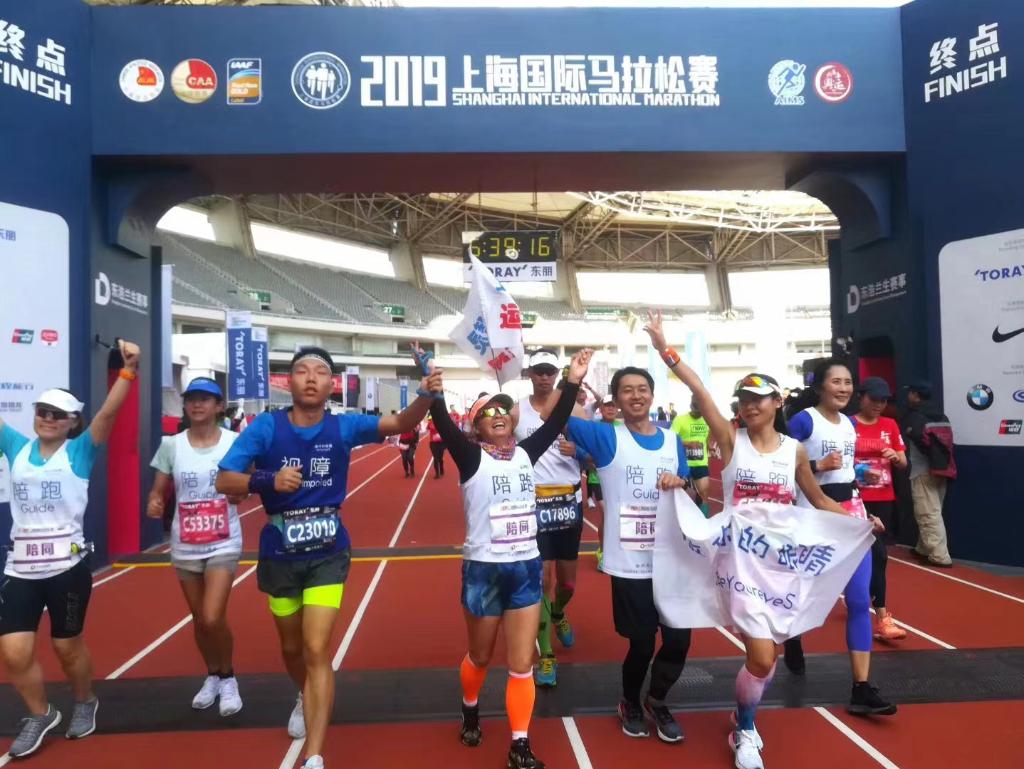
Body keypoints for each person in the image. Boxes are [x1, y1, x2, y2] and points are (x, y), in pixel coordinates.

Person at [643, 312, 851, 769]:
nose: (750, 405)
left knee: (767, 658)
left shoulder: (795, 451)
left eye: (758, 398)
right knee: (760, 654)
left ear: (777, 402)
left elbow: (818, 499)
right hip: (739, 562)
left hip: (781, 564)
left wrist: (859, 521)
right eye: (744, 399)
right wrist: (664, 348)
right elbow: (699, 389)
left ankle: (742, 715)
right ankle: (747, 730)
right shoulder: (730, 439)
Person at [215, 346, 439, 769]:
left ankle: (314, 755)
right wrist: (268, 480)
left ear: (331, 383)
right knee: (291, 648)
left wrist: (426, 393)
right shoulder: (266, 427)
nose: (311, 378)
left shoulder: (344, 426)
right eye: (302, 371)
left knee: (317, 647)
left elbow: (402, 423)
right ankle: (306, 694)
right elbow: (225, 479)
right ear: (289, 381)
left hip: (328, 552)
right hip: (280, 552)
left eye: (320, 372)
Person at [429, 348, 593, 769]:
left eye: (503, 409)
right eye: (487, 412)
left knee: (522, 663)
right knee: (481, 657)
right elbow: (443, 424)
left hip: (525, 568)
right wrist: (434, 391)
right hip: (484, 571)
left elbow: (556, 420)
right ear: (477, 426)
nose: (498, 414)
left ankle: (520, 743)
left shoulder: (525, 453)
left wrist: (573, 380)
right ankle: (470, 706)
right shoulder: (470, 457)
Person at [0, 340, 141, 758]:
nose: (47, 419)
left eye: (57, 414)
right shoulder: (16, 447)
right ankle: (40, 714)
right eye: (42, 411)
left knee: (67, 647)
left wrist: (128, 371)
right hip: (21, 568)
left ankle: (84, 700)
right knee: (13, 651)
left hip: (66, 567)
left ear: (72, 422)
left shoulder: (81, 451)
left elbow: (108, 414)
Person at [557, 338, 692, 745]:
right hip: (630, 563)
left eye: (643, 389)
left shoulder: (671, 440)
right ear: (615, 399)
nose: (636, 396)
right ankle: (630, 701)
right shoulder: (605, 436)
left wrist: (680, 482)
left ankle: (657, 699)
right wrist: (572, 380)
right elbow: (559, 416)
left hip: (671, 560)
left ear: (652, 395)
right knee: (642, 643)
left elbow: (692, 491)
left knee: (679, 639)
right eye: (627, 390)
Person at [784, 359, 896, 716]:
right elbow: (778, 463)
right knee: (800, 595)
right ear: (820, 386)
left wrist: (862, 490)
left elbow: (846, 474)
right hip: (813, 517)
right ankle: (792, 636)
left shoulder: (849, 424)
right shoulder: (804, 421)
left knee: (860, 600)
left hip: (851, 515)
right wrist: (817, 466)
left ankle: (861, 687)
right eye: (836, 382)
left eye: (848, 382)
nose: (844, 388)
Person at [146, 377, 247, 716]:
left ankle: (229, 677)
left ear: (219, 406)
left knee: (213, 615)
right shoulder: (171, 445)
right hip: (185, 543)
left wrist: (241, 493)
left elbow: (247, 480)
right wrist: (154, 501)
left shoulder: (234, 442)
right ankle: (213, 675)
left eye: (205, 399)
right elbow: (159, 489)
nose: (197, 404)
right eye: (191, 399)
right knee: (200, 620)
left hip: (223, 541)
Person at [513, 350, 585, 688]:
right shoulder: (517, 411)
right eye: (539, 371)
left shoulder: (577, 410)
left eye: (550, 371)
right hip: (535, 505)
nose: (544, 377)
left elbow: (597, 455)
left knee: (567, 584)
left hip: (569, 503)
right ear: (530, 373)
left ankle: (558, 613)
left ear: (557, 374)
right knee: (543, 579)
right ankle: (546, 654)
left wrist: (579, 451)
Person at [853, 378, 908, 641]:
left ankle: (873, 609)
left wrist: (896, 457)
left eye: (883, 400)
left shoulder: (890, 425)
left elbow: (903, 462)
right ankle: (881, 617)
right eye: (873, 399)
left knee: (876, 554)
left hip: (883, 498)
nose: (878, 404)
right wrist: (862, 467)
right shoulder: (848, 425)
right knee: (875, 555)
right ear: (861, 397)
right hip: (854, 499)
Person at [900, 381, 955, 567]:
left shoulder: (916, 416)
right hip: (943, 469)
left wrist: (928, 454)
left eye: (910, 393)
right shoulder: (941, 415)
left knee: (928, 514)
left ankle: (939, 556)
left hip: (923, 471)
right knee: (934, 510)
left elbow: (918, 438)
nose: (908, 396)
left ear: (915, 395)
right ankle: (923, 549)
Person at [670, 395, 711, 504]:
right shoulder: (679, 420)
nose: (699, 413)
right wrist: (688, 444)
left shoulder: (708, 420)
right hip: (683, 464)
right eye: (696, 408)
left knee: (703, 495)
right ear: (691, 405)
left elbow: (707, 438)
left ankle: (702, 514)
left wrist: (710, 448)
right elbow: (670, 439)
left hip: (700, 464)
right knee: (682, 497)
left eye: (701, 409)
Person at [426, 414, 446, 479]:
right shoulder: (431, 422)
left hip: (441, 442)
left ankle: (441, 468)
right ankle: (437, 473)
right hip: (433, 443)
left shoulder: (442, 421)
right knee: (436, 457)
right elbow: (429, 428)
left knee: (440, 458)